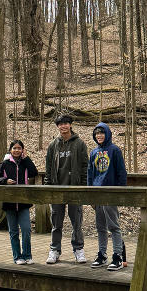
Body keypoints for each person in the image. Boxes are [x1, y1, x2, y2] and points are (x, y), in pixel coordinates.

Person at [44, 113, 89, 264]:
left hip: (74, 188)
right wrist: (48, 186)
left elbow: (85, 167)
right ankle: (54, 250)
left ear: (70, 125)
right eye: (60, 124)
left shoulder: (79, 144)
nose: (63, 126)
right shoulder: (53, 145)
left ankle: (78, 249)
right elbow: (48, 167)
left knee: (77, 221)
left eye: (66, 123)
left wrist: (82, 186)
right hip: (57, 188)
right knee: (56, 222)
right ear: (57, 126)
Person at [87, 122, 127, 271]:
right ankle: (102, 254)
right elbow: (90, 175)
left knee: (113, 226)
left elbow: (121, 173)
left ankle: (117, 256)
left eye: (102, 133)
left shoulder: (115, 150)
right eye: (97, 133)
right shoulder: (93, 153)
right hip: (97, 194)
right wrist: (90, 194)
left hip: (110, 193)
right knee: (100, 227)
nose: (99, 136)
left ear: (108, 134)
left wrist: (120, 192)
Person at [0, 139, 38, 265]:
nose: (17, 150)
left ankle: (27, 255)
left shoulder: (25, 163)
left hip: (24, 202)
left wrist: (27, 158)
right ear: (10, 150)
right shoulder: (5, 164)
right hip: (9, 202)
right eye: (14, 148)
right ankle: (17, 257)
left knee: (26, 230)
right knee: (13, 232)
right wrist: (5, 180)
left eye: (19, 148)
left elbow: (34, 173)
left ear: (22, 150)